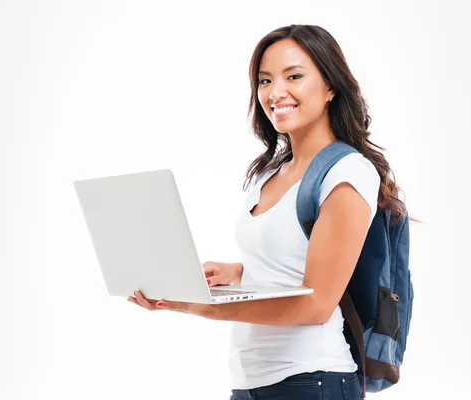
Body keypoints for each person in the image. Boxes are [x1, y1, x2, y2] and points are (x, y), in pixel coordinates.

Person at [127, 24, 409, 400]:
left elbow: (316, 303)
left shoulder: (347, 173)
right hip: (250, 383)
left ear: (330, 87)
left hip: (313, 381)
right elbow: (292, 265)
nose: (276, 92)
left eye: (294, 76)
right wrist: (237, 273)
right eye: (264, 80)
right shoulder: (268, 172)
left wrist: (198, 305)